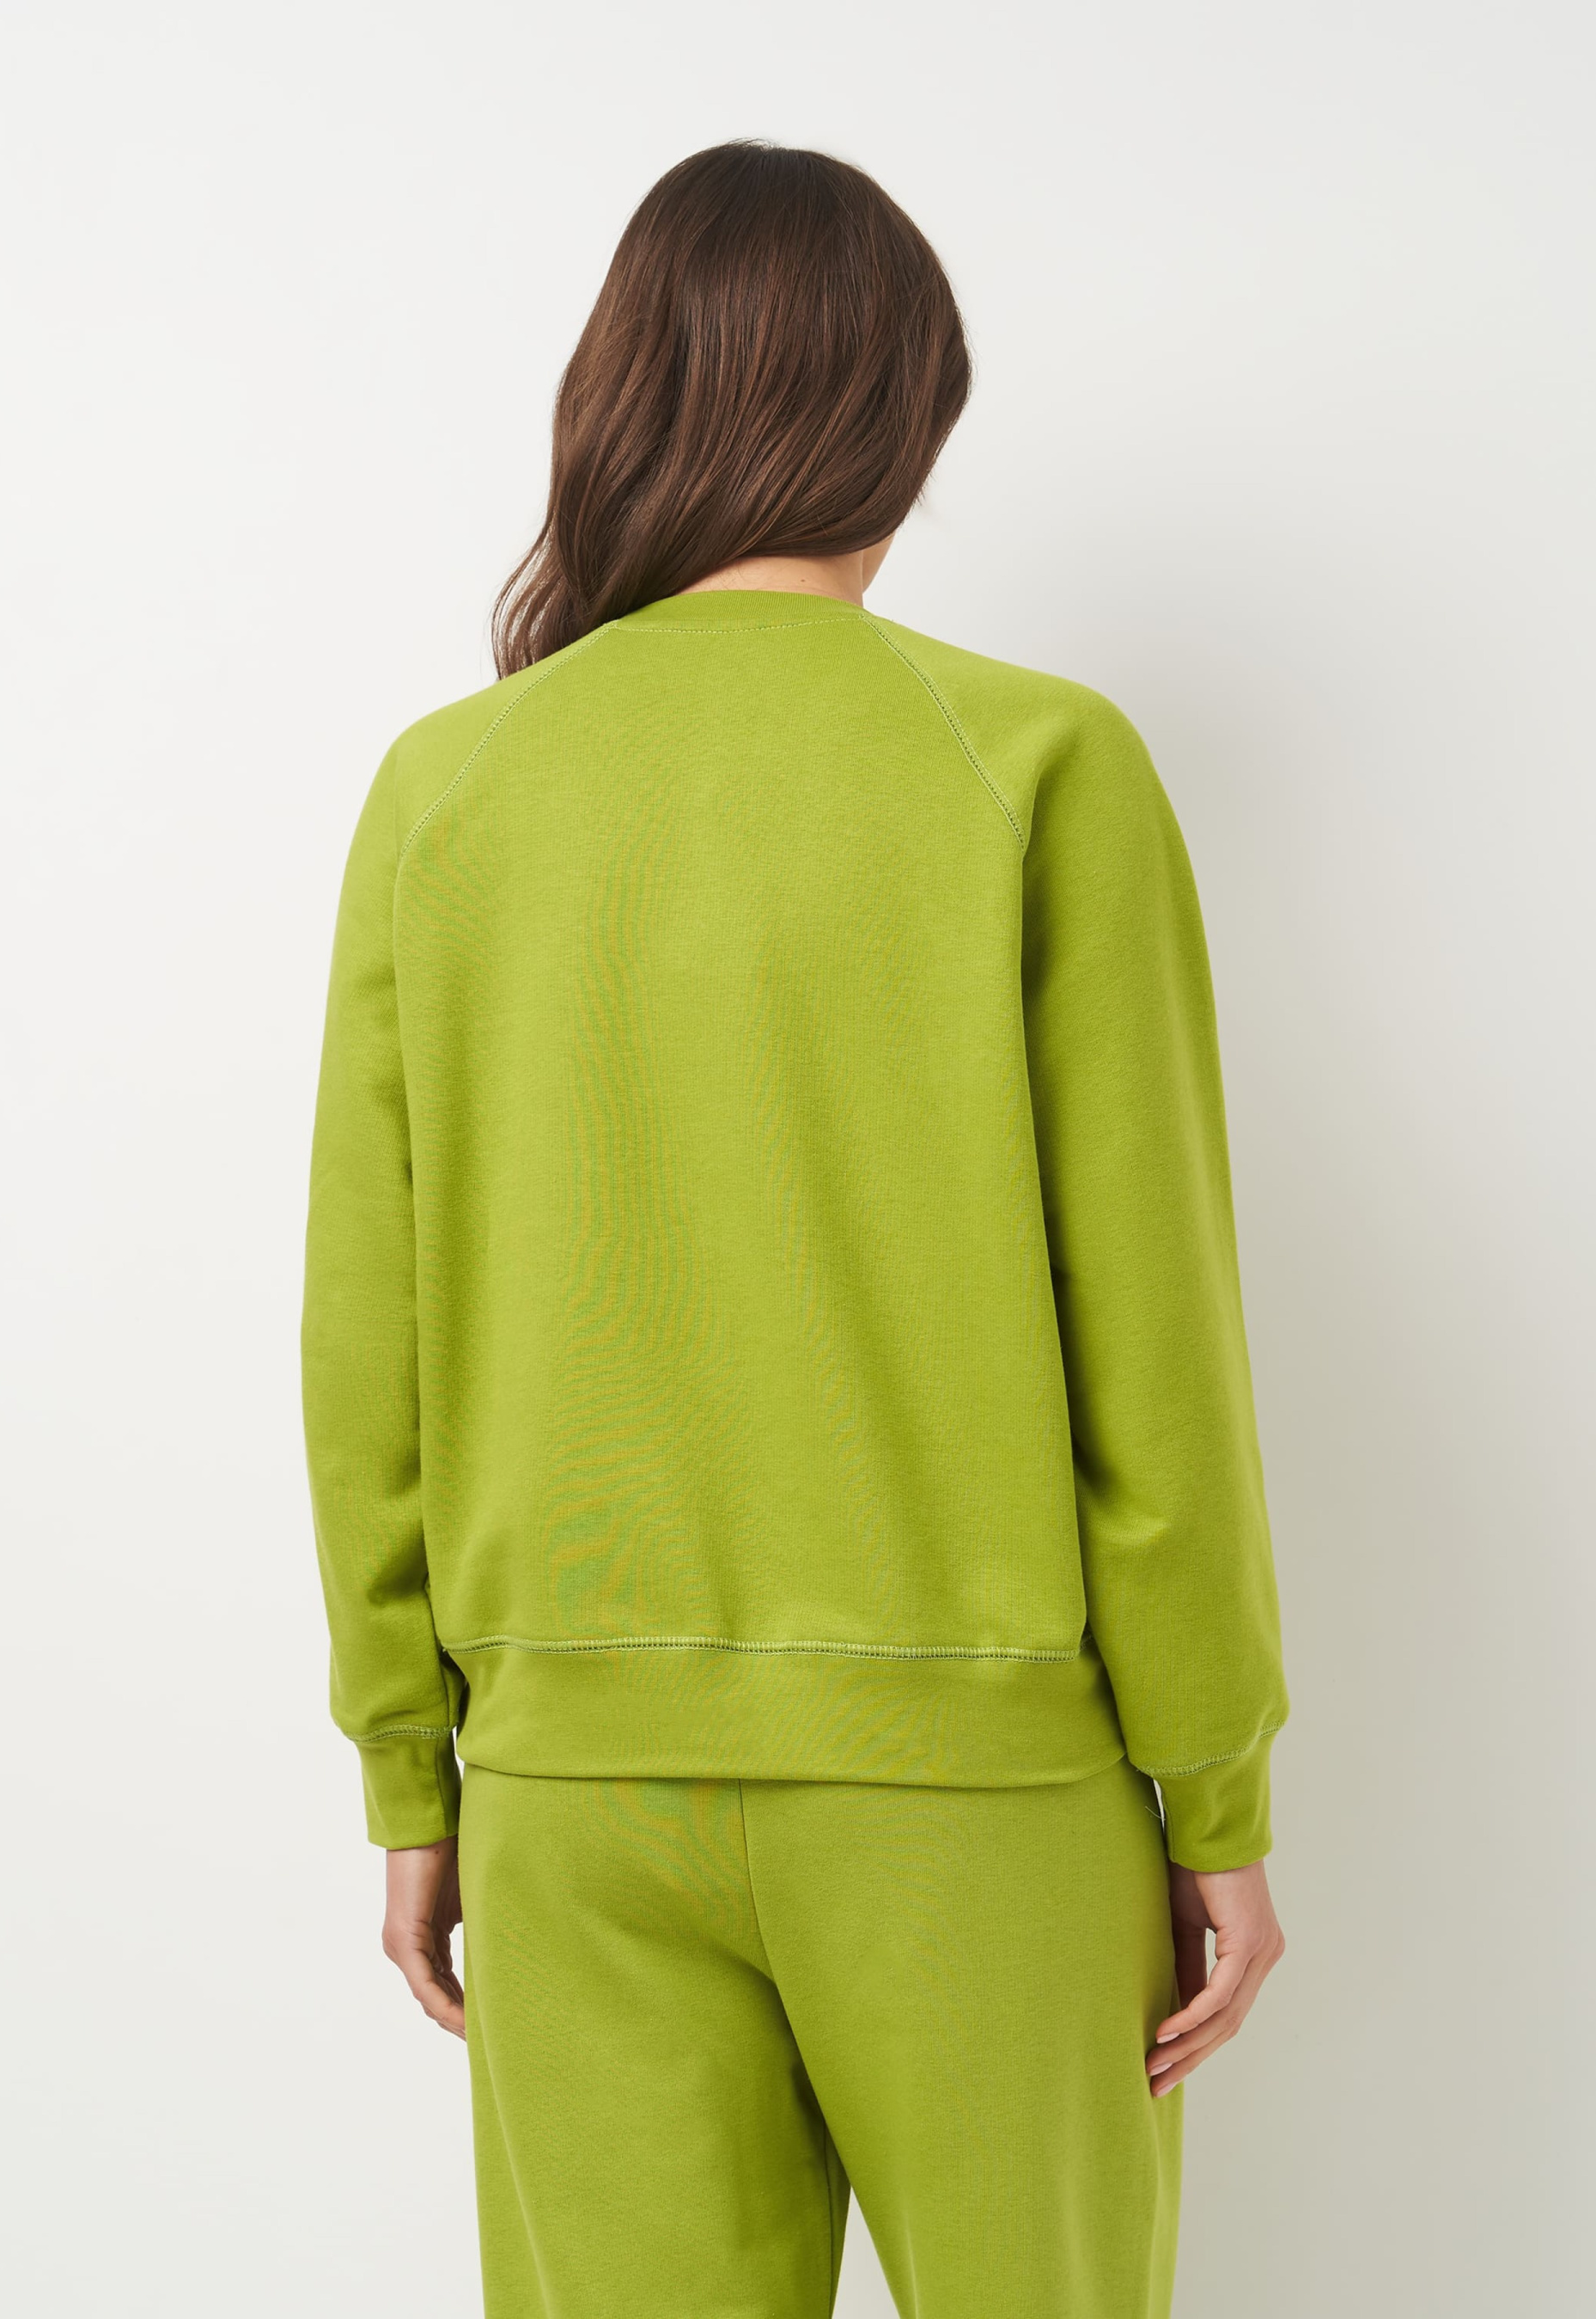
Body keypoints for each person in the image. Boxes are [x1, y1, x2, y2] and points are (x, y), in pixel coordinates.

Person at [302, 140, 1288, 2319]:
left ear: (624, 398)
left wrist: (411, 1765)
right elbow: (1152, 1341)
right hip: (980, 1794)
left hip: (570, 1782)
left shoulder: (444, 793)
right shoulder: (1034, 763)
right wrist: (1212, 1792)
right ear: (904, 414)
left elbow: (370, 1349)